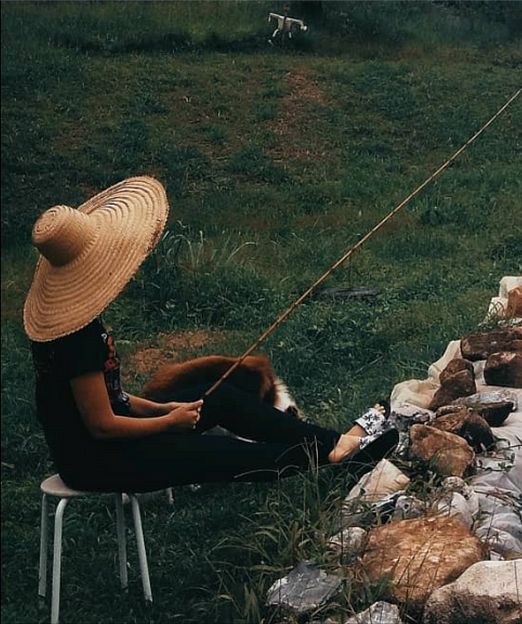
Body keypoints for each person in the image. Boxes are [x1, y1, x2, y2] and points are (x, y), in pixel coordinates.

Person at [24, 176, 395, 493]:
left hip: (116, 439)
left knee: (219, 399)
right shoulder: (76, 341)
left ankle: (335, 442)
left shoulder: (81, 325)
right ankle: (329, 462)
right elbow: (102, 426)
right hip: (101, 461)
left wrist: (161, 408)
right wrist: (168, 424)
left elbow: (112, 398)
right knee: (220, 456)